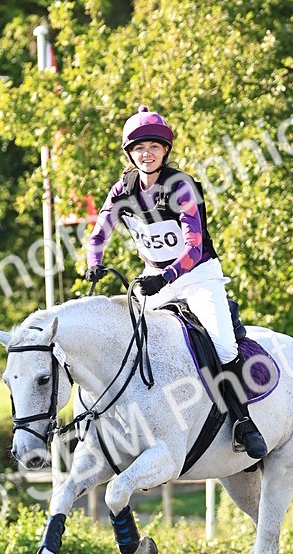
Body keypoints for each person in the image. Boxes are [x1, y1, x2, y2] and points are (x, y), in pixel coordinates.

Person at [85, 106, 268, 460]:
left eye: (154, 146)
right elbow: (98, 235)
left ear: (165, 150)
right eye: (139, 148)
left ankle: (244, 422)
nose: (147, 153)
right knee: (131, 344)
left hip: (197, 277)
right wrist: (95, 264)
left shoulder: (180, 186)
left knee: (223, 345)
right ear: (129, 153)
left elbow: (194, 246)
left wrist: (165, 278)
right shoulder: (121, 190)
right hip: (155, 279)